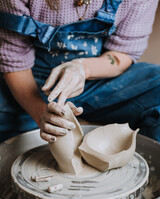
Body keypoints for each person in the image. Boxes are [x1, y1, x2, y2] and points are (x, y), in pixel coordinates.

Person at [0, 0, 160, 143]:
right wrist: (41, 115)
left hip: (95, 79)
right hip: (31, 82)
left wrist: (84, 68)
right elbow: (13, 60)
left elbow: (124, 52)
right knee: (15, 140)